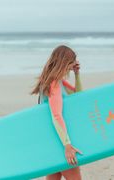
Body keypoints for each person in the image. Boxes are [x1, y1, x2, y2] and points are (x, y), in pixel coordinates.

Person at [31, 45, 83, 180]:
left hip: (52, 141)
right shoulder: (54, 84)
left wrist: (77, 74)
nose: (72, 66)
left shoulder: (56, 82)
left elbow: (80, 97)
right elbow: (56, 115)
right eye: (71, 62)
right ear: (64, 62)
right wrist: (67, 146)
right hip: (60, 143)